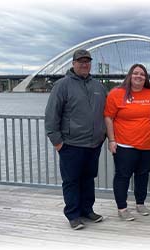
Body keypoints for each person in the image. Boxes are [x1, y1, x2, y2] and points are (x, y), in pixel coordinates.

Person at [45, 49, 107, 230]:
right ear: (73, 64)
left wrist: (104, 136)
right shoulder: (62, 85)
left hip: (94, 144)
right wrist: (57, 142)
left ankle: (87, 210)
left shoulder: (98, 86)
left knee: (88, 178)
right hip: (71, 144)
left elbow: (107, 113)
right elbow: (51, 116)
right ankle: (73, 214)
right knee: (71, 180)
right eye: (80, 61)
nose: (84, 64)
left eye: (87, 61)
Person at [104, 64, 150, 221]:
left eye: (142, 74)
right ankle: (122, 208)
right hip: (124, 145)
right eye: (135, 73)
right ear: (129, 75)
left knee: (143, 175)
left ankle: (140, 203)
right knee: (123, 176)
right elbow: (108, 117)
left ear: (146, 78)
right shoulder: (116, 93)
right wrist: (111, 140)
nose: (139, 76)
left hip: (149, 145)